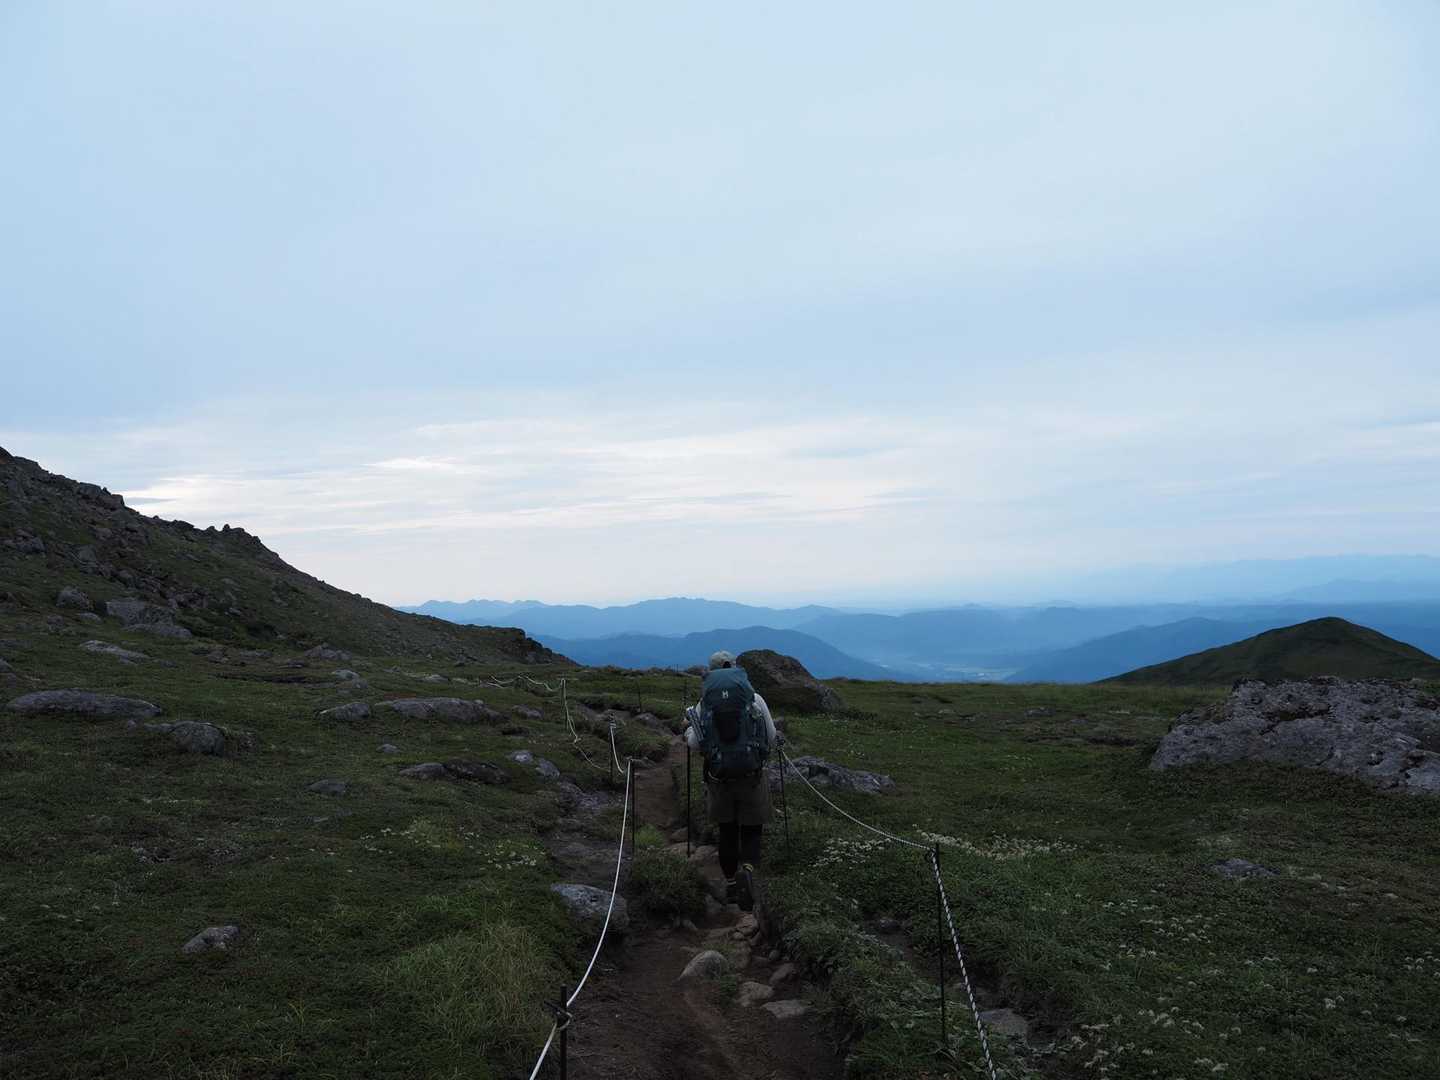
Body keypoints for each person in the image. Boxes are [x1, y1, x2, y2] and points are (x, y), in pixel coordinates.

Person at [683, 650, 777, 912]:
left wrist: (688, 731)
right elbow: (770, 736)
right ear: (735, 668)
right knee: (752, 828)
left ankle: (731, 883)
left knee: (727, 830)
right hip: (751, 775)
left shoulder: (705, 701)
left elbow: (695, 743)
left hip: (719, 778)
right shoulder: (754, 698)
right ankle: (748, 871)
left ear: (711, 671)